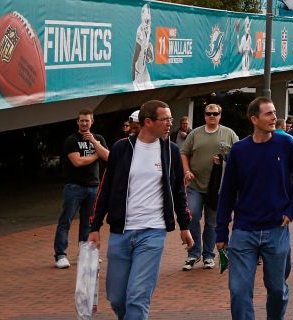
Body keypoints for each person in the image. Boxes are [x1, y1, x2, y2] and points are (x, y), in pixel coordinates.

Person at [88, 100, 192, 320]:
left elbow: (179, 191)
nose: (170, 124)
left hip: (152, 232)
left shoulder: (171, 151)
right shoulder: (121, 148)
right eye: (165, 120)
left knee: (137, 297)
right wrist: (94, 226)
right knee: (117, 298)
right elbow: (105, 189)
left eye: (171, 120)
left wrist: (185, 225)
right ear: (147, 122)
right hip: (121, 232)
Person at [216, 97, 293, 320]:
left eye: (274, 112)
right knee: (239, 292)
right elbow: (227, 192)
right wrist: (220, 231)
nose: (274, 117)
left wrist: (291, 209)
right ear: (254, 119)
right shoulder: (239, 150)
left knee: (277, 289)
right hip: (244, 231)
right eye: (268, 113)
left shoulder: (285, 144)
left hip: (276, 228)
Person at [179, 103, 239, 271]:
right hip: (195, 185)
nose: (211, 116)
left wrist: (224, 159)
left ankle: (208, 255)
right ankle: (193, 253)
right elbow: (184, 152)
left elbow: (239, 155)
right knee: (193, 215)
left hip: (217, 188)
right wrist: (187, 171)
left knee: (212, 222)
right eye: (208, 113)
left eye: (215, 113)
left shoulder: (229, 134)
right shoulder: (195, 133)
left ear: (220, 115)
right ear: (204, 115)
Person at [54, 109, 108, 269]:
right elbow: (77, 162)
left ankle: (86, 254)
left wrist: (95, 144)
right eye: (81, 120)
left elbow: (108, 156)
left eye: (87, 120)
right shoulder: (71, 140)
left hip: (93, 187)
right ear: (77, 122)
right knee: (66, 220)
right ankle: (60, 255)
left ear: (92, 122)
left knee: (89, 223)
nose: (84, 123)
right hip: (74, 187)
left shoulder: (98, 138)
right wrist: (95, 155)